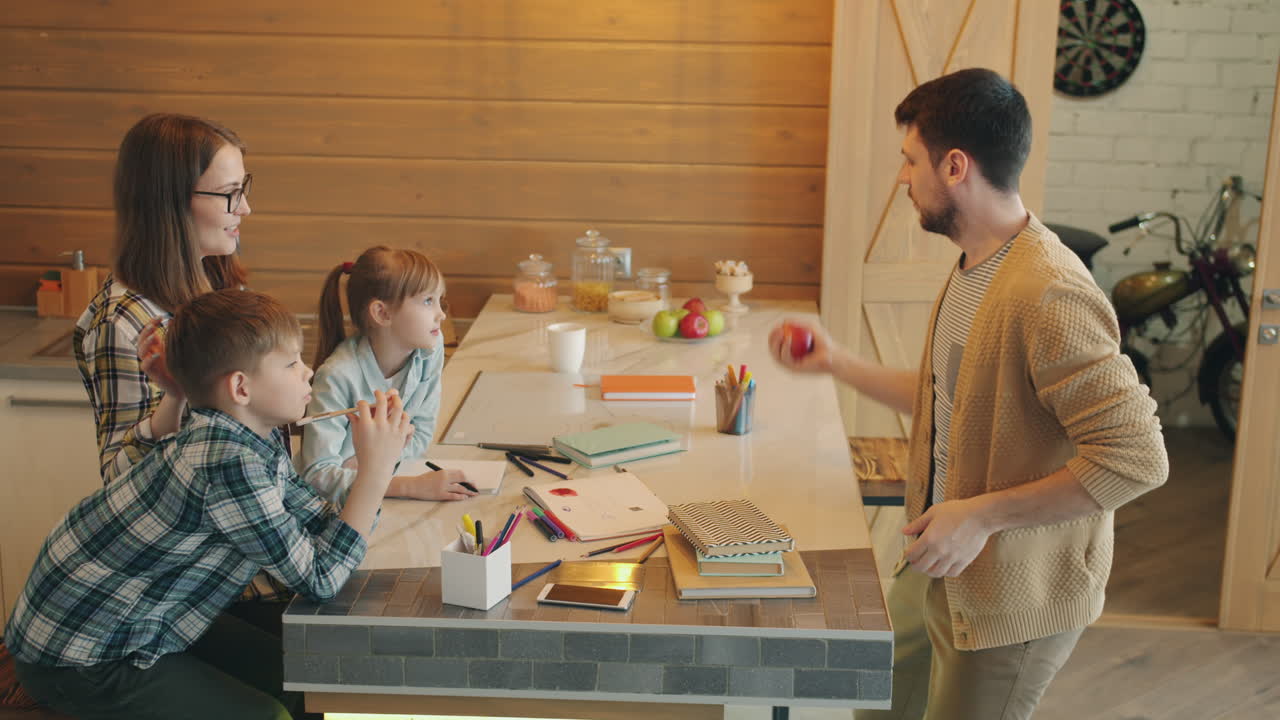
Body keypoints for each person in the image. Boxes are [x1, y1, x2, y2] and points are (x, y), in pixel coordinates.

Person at [769, 69, 1168, 719]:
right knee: (874, 695)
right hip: (940, 562)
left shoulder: (1049, 291)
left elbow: (1137, 459)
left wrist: (981, 515)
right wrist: (836, 363)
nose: (902, 178)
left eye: (909, 160)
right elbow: (950, 400)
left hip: (1012, 600)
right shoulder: (977, 265)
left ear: (954, 166)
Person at [5, 289, 412, 720]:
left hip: (134, 618)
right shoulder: (227, 462)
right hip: (81, 656)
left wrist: (373, 473)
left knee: (305, 678)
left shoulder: (250, 436)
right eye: (291, 363)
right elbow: (320, 578)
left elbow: (315, 518)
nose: (308, 371)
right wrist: (375, 472)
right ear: (240, 387)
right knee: (268, 714)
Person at [75, 113, 251, 484]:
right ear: (169, 203)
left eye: (244, 188)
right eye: (229, 194)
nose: (245, 208)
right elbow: (118, 478)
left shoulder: (217, 280)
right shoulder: (122, 323)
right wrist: (176, 396)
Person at [299, 246, 474, 505]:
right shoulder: (337, 376)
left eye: (440, 300)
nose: (442, 314)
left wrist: (372, 464)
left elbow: (423, 433)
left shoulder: (429, 351)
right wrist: (410, 486)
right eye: (428, 301)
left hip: (381, 495)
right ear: (382, 313)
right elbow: (317, 476)